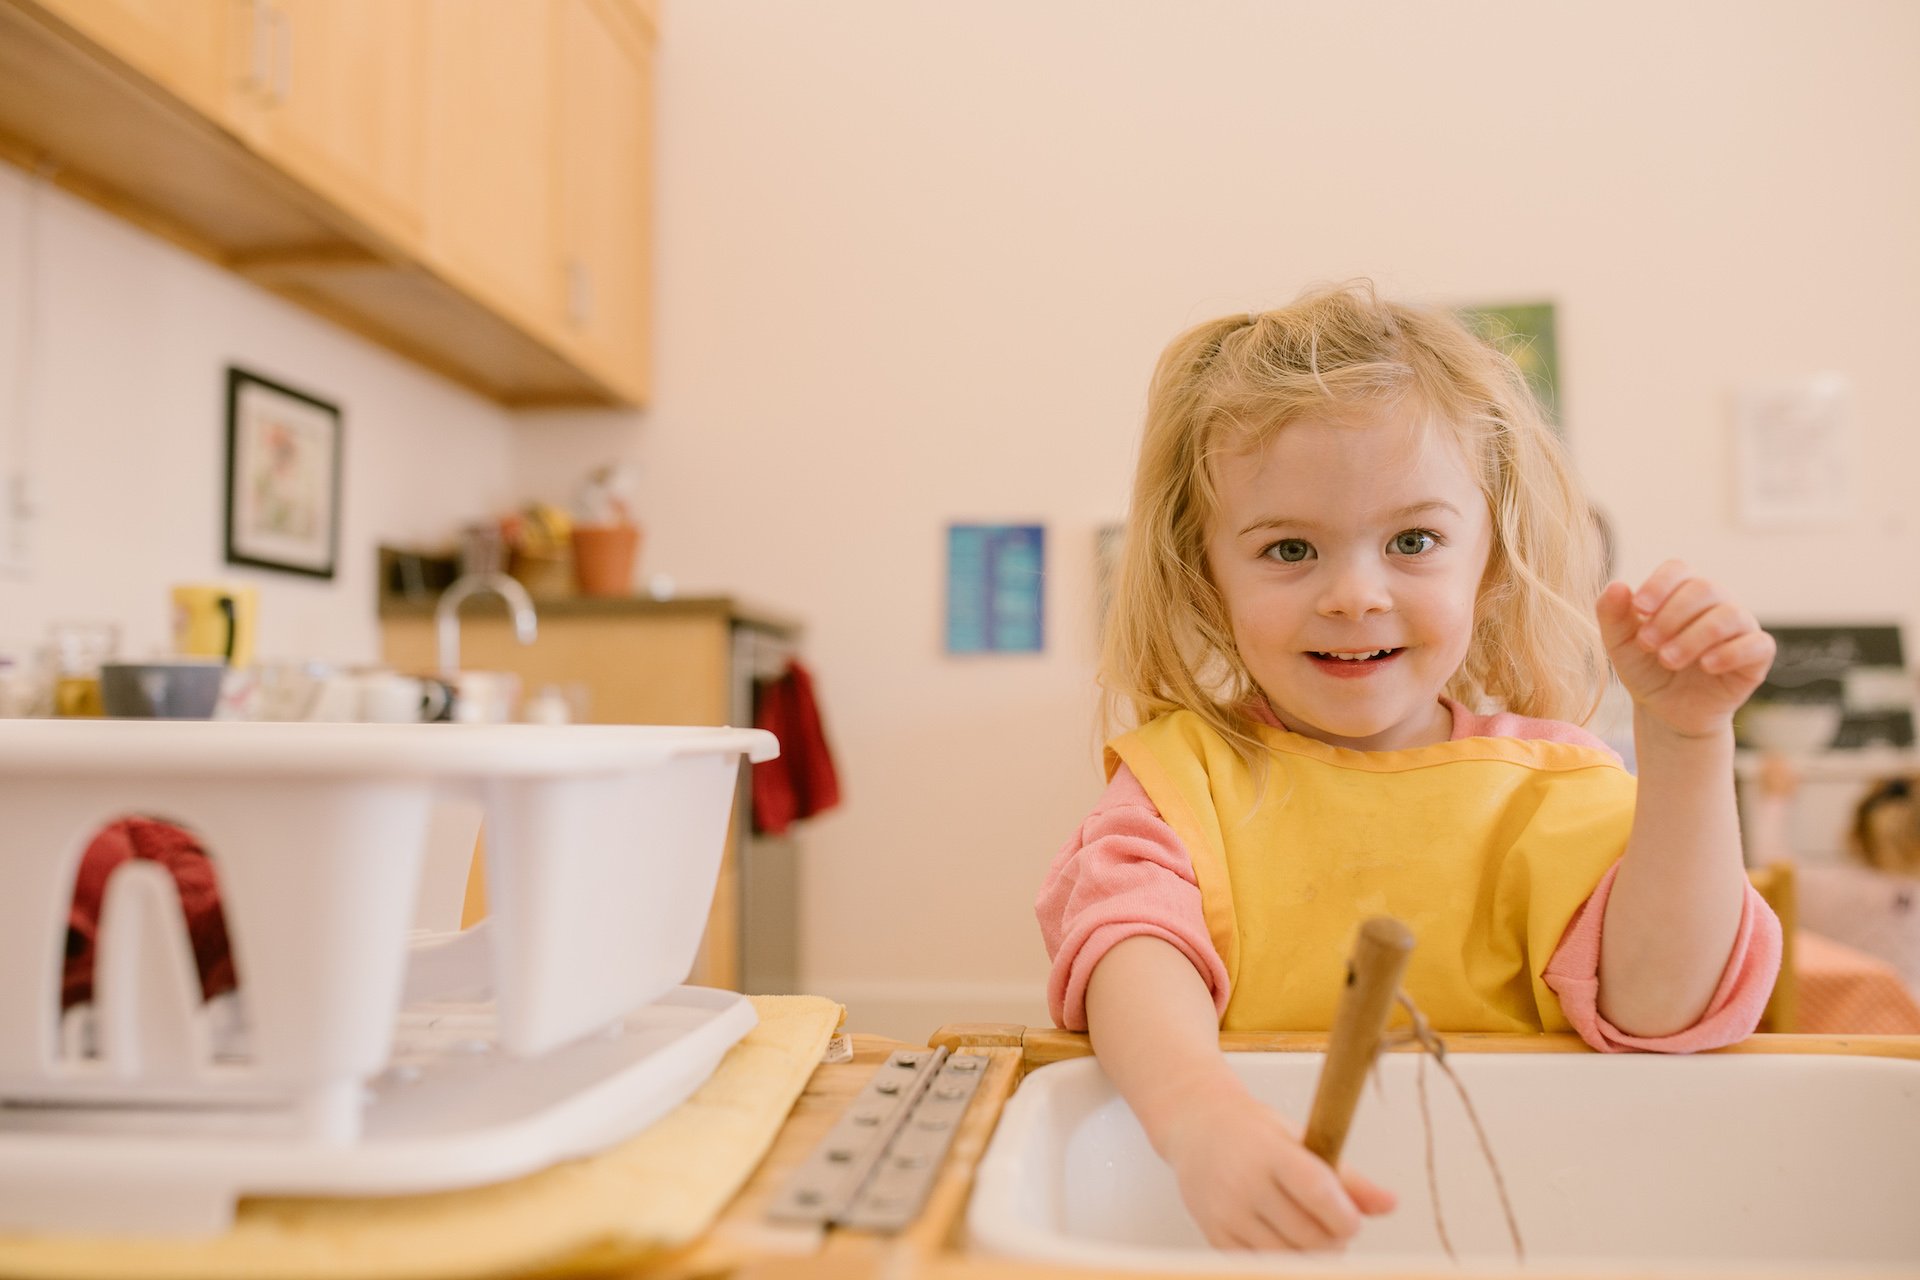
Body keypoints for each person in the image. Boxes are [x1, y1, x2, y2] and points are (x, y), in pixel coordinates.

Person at [1036, 282, 1782, 1253]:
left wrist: (1687, 745)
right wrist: (1197, 1116)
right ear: (1203, 571)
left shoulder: (1550, 783)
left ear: (1490, 555)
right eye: (1290, 547)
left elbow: (1666, 1007)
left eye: (1413, 540)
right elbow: (1129, 944)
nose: (1355, 594)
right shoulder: (1186, 776)